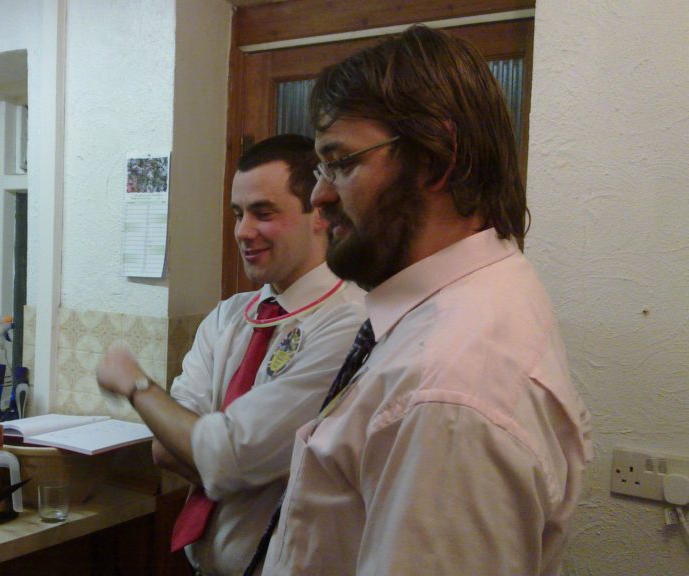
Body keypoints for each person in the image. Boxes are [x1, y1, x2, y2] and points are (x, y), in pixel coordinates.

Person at [260, 26, 593, 575]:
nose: (318, 196)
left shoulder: (448, 394)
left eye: (341, 162)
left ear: (436, 159)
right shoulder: (467, 301)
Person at [97, 135, 367, 575]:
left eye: (263, 213)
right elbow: (167, 450)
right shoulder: (229, 318)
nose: (243, 231)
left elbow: (227, 455)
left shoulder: (348, 324)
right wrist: (230, 463)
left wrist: (137, 385)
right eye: (238, 214)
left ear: (319, 212)